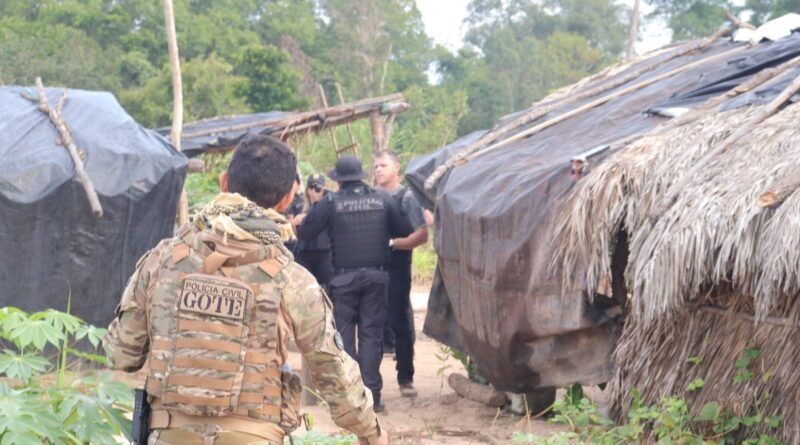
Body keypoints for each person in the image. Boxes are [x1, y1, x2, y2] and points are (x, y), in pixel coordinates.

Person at [103, 136, 387, 445]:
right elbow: (334, 374)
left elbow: (121, 354)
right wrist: (372, 434)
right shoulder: (292, 280)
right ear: (288, 198)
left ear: (223, 182)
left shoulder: (161, 261)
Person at [296, 156, 412, 413]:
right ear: (362, 174)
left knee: (345, 336)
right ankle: (373, 396)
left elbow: (305, 232)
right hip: (376, 277)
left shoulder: (330, 202)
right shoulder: (383, 199)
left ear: (338, 179)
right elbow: (403, 229)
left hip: (344, 279)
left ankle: (350, 396)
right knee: (372, 335)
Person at [372, 150, 429, 399]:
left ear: (396, 168)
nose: (378, 170)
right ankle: (371, 383)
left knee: (401, 324)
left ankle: (405, 378)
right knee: (371, 324)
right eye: (375, 166)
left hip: (397, 266)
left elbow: (422, 234)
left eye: (383, 165)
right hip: (372, 267)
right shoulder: (370, 196)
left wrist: (394, 243)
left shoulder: (407, 198)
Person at [291, 173, 333, 291]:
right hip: (304, 253)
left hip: (324, 254)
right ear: (307, 190)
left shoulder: (330, 207)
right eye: (311, 187)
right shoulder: (299, 207)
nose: (315, 191)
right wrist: (294, 223)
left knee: (328, 290)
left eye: (318, 187)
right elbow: (294, 236)